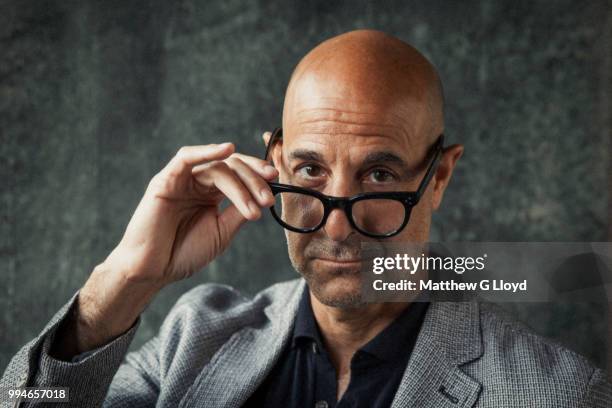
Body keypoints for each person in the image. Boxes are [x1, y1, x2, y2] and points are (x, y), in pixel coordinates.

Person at [2, 29, 611, 408]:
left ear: (439, 178)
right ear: (273, 162)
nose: (338, 227)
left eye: (379, 175)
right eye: (311, 170)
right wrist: (122, 285)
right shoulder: (193, 340)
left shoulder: (559, 394)